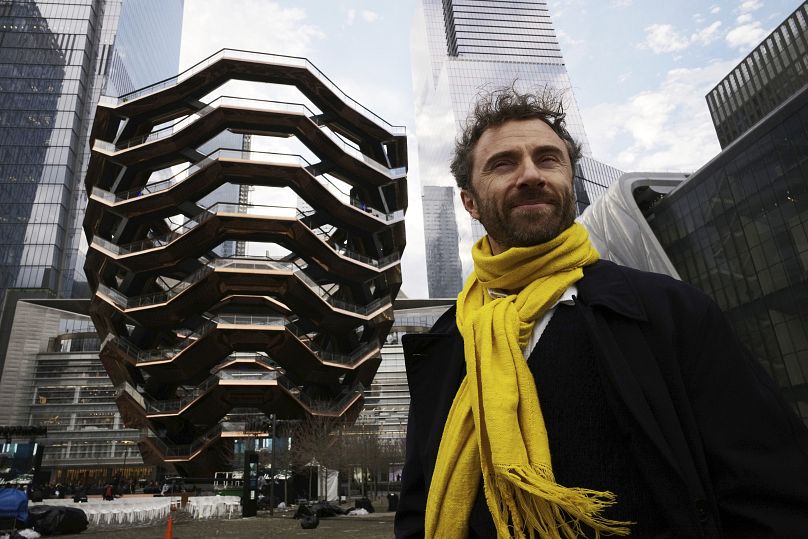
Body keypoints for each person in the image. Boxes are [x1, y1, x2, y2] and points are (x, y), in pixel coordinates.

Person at [394, 86, 808, 538]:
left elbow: (768, 491)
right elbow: (419, 500)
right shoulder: (446, 339)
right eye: (504, 163)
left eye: (549, 159)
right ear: (469, 202)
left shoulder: (671, 310)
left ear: (571, 182)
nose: (531, 174)